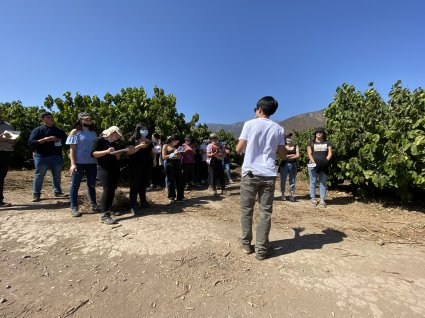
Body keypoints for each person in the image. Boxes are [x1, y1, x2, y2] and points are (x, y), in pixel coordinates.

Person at [235, 96, 286, 261]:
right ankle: (262, 250)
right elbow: (282, 154)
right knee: (265, 212)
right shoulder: (279, 129)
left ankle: (246, 244)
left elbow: (239, 149)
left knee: (246, 210)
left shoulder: (249, 124)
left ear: (259, 109)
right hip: (269, 174)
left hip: (250, 173)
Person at [28, 112, 67, 202]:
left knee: (57, 175)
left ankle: (57, 191)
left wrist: (57, 139)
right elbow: (30, 142)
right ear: (43, 119)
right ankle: (36, 194)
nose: (51, 118)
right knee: (39, 175)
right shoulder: (38, 130)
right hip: (41, 156)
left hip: (56, 156)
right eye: (48, 117)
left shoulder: (59, 130)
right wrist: (43, 140)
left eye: (51, 117)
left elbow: (66, 142)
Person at [66, 112, 99, 217]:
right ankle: (74, 207)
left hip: (92, 163)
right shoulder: (75, 132)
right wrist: (73, 164)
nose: (89, 121)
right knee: (75, 185)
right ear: (81, 120)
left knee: (91, 185)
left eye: (90, 119)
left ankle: (93, 204)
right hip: (79, 163)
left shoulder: (93, 133)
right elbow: (72, 150)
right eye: (86, 119)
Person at [92, 126, 124, 225]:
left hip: (114, 169)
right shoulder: (99, 141)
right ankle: (104, 214)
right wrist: (107, 151)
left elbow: (118, 158)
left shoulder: (114, 144)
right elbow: (94, 154)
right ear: (111, 132)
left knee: (112, 189)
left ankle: (108, 210)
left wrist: (118, 153)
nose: (116, 138)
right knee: (107, 189)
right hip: (103, 169)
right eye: (116, 135)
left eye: (118, 137)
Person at [127, 123, 155, 215]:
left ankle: (143, 202)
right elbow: (129, 152)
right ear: (138, 130)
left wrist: (154, 160)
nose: (145, 131)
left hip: (147, 165)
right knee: (135, 185)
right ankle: (133, 205)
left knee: (143, 184)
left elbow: (152, 152)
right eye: (142, 129)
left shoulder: (149, 141)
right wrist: (139, 146)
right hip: (135, 166)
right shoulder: (133, 140)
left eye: (146, 129)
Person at [307, 127, 332, 208]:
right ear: (315, 134)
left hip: (324, 165)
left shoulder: (327, 142)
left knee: (323, 182)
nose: (319, 133)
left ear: (323, 133)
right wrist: (314, 162)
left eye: (321, 132)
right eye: (317, 132)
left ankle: (322, 199)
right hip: (313, 165)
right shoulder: (311, 143)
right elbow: (309, 154)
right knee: (313, 182)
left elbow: (330, 153)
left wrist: (326, 161)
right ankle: (313, 199)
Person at [0, 110, 17, 207]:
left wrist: (12, 141)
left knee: (1, 177)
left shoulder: (8, 125)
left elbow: (13, 140)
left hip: (5, 153)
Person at [162, 135, 185, 203]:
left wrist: (177, 155)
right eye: (175, 141)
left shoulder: (177, 147)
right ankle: (172, 197)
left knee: (179, 180)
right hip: (169, 164)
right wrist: (173, 154)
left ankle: (180, 197)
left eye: (177, 142)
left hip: (177, 164)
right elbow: (164, 157)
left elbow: (180, 156)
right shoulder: (165, 146)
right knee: (170, 181)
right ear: (172, 140)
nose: (176, 143)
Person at [279, 133, 300, 202]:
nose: (289, 138)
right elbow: (282, 156)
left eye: (290, 137)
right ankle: (282, 194)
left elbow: (297, 155)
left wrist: (287, 156)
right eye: (288, 137)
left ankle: (292, 195)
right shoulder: (283, 146)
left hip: (293, 164)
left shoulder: (296, 146)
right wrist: (291, 155)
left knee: (293, 180)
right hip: (284, 165)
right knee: (283, 179)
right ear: (285, 139)